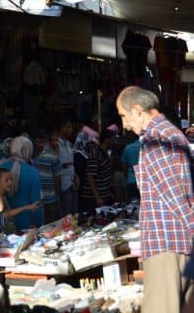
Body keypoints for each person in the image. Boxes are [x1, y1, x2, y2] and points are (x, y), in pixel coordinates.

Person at [116, 85, 193, 313]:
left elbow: (173, 195)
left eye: (123, 115)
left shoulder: (156, 139)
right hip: (177, 242)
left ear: (137, 110)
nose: (124, 124)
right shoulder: (170, 134)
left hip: (166, 243)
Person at [0, 136, 43, 231]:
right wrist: (40, 225)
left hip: (3, 223)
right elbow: (37, 203)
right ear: (28, 151)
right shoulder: (32, 172)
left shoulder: (0, 168)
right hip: (27, 223)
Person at [0, 167, 40, 234]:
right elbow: (4, 215)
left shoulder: (3, 197)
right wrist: (26, 207)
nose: (10, 182)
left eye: (11, 179)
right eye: (6, 180)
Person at [79, 129, 115, 212]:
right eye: (112, 139)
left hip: (103, 195)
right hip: (93, 198)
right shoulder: (96, 154)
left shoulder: (104, 154)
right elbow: (90, 176)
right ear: (106, 140)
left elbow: (105, 175)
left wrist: (109, 192)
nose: (114, 142)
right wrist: (97, 197)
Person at [33, 130, 63, 223]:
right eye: (37, 142)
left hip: (50, 198)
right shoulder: (28, 155)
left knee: (52, 226)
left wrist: (57, 195)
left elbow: (57, 177)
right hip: (34, 201)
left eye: (42, 142)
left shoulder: (52, 156)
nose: (40, 145)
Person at [56, 120, 76, 215]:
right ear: (62, 128)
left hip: (72, 181)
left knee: (73, 212)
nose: (70, 130)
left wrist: (76, 175)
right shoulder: (56, 144)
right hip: (62, 182)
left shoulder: (69, 144)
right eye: (68, 127)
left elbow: (71, 163)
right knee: (66, 213)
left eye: (71, 127)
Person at [120, 132, 140, 201]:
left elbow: (124, 166)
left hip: (131, 180)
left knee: (132, 206)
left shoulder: (128, 148)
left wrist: (127, 177)